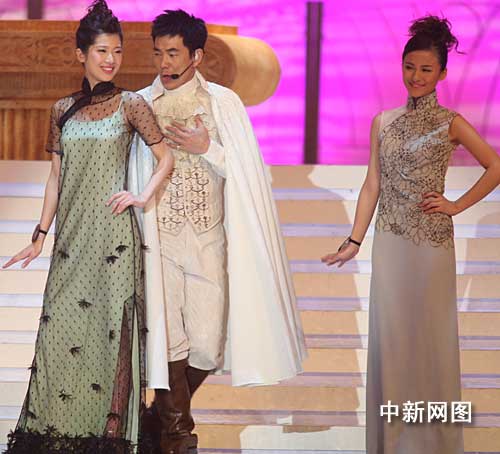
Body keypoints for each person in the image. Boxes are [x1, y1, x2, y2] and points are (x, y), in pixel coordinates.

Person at [128, 9, 306, 454]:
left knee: (207, 346)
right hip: (159, 238)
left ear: (196, 56)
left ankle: (153, 420)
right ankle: (178, 436)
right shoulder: (140, 103)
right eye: (159, 53)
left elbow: (248, 172)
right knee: (169, 339)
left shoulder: (223, 103)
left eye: (174, 53)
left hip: (209, 237)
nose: (165, 63)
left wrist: (207, 148)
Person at [321, 15, 500, 454]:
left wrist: (456, 205)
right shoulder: (382, 122)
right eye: (409, 67)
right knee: (393, 340)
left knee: (432, 341)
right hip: (391, 243)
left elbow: (495, 166)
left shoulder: (452, 122)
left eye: (426, 69)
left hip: (432, 245)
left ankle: (434, 443)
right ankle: (395, 440)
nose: (416, 76)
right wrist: (354, 240)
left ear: (441, 74)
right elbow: (372, 184)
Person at [2, 1, 174, 452]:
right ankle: (59, 435)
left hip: (115, 240)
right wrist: (40, 235)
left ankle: (109, 440)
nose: (111, 60)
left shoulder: (131, 105)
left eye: (117, 51)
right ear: (81, 54)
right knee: (60, 334)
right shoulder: (62, 109)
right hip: (71, 242)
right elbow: (56, 178)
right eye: (102, 51)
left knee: (109, 337)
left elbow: (166, 158)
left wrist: (141, 196)